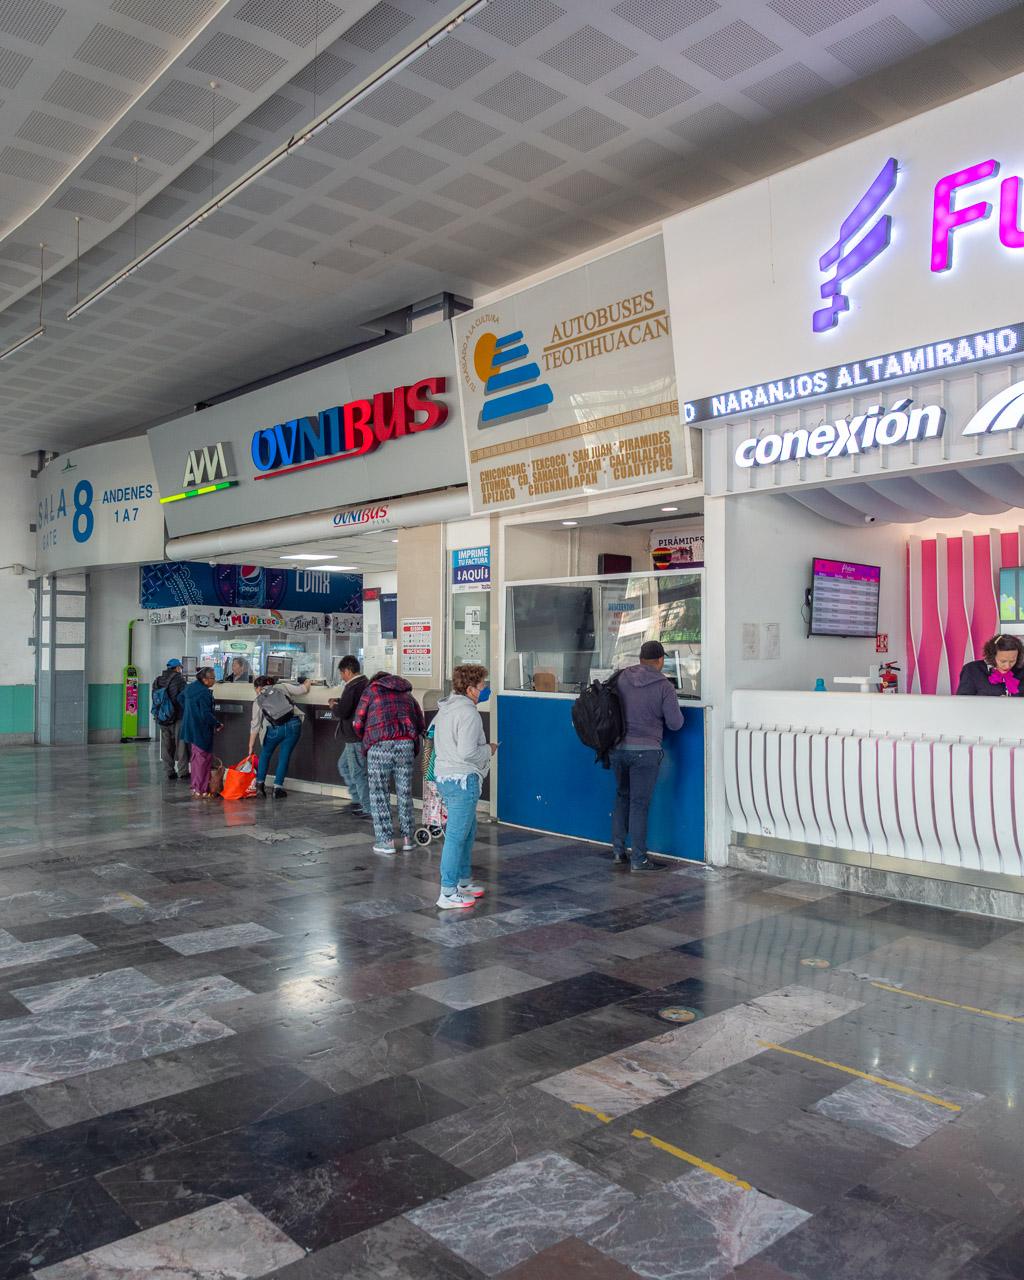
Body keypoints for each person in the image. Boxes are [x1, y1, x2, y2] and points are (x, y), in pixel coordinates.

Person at [610, 640, 684, 871]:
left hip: (618, 749)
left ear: (640, 659)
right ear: (661, 660)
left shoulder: (621, 678)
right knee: (639, 804)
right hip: (646, 752)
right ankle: (639, 858)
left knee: (623, 796)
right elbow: (675, 724)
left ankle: (618, 850)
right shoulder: (664, 686)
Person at [432, 664, 496, 909]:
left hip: (447, 777)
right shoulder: (469, 713)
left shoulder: (446, 708)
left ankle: (462, 882)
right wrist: (489, 749)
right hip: (462, 779)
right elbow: (468, 751)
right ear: (470, 689)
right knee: (457, 837)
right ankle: (448, 892)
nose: (484, 690)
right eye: (482, 686)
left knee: (466, 833)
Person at [352, 671, 425, 855]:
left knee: (379, 793)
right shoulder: (407, 695)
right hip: (406, 745)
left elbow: (358, 721)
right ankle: (409, 838)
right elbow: (420, 723)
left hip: (379, 745)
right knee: (404, 792)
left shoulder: (371, 692)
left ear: (376, 681)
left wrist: (370, 735)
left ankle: (386, 842)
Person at [248, 674, 311, 798]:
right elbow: (303, 689)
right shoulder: (282, 686)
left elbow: (255, 725)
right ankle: (278, 789)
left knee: (265, 754)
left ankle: (260, 786)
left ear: (258, 688)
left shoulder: (258, 700)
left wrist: (251, 745)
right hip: (293, 725)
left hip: (274, 729)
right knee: (284, 755)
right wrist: (307, 681)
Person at [328, 656, 370, 818]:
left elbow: (344, 711)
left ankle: (366, 806)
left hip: (354, 736)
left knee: (357, 772)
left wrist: (334, 706)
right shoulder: (365, 683)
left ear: (348, 671)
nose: (341, 677)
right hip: (357, 735)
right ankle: (357, 799)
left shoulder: (353, 686)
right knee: (344, 766)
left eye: (342, 673)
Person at [180, 666, 222, 799]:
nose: (214, 680)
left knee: (196, 759)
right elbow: (206, 714)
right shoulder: (204, 692)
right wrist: (217, 724)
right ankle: (201, 789)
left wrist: (190, 712)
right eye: (212, 678)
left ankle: (195, 787)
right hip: (201, 730)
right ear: (204, 679)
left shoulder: (191, 687)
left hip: (190, 727)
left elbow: (180, 698)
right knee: (203, 760)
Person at [152, 658, 188, 781]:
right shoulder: (179, 679)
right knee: (181, 744)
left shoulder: (158, 680)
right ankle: (183, 771)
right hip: (177, 717)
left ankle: (169, 771)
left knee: (167, 745)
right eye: (180, 668)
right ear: (177, 668)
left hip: (162, 717)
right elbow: (184, 697)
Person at [956, 633, 1024, 696]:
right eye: (1003, 661)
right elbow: (963, 702)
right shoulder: (972, 670)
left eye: (1012, 661)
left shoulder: (1022, 671)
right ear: (992, 656)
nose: (1007, 666)